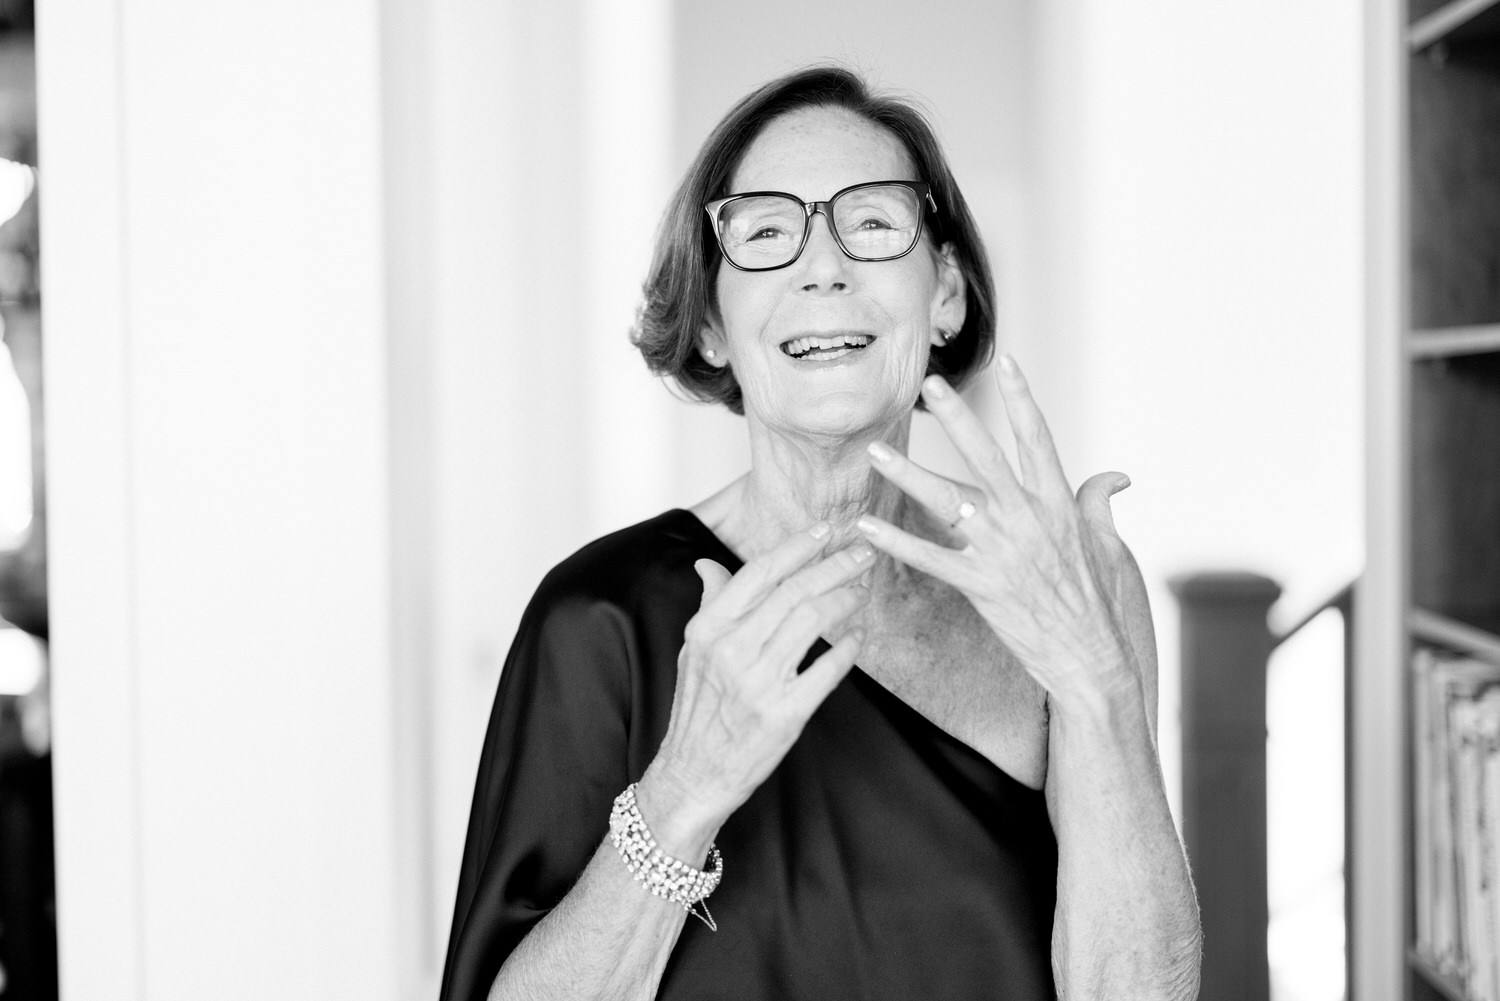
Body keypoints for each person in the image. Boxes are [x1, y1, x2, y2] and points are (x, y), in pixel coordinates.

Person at [439, 66, 1201, 1001]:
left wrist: (1097, 684)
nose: (822, 265)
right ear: (713, 325)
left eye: (873, 224)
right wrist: (682, 791)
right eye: (765, 232)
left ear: (947, 295)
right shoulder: (598, 618)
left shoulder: (1071, 586)